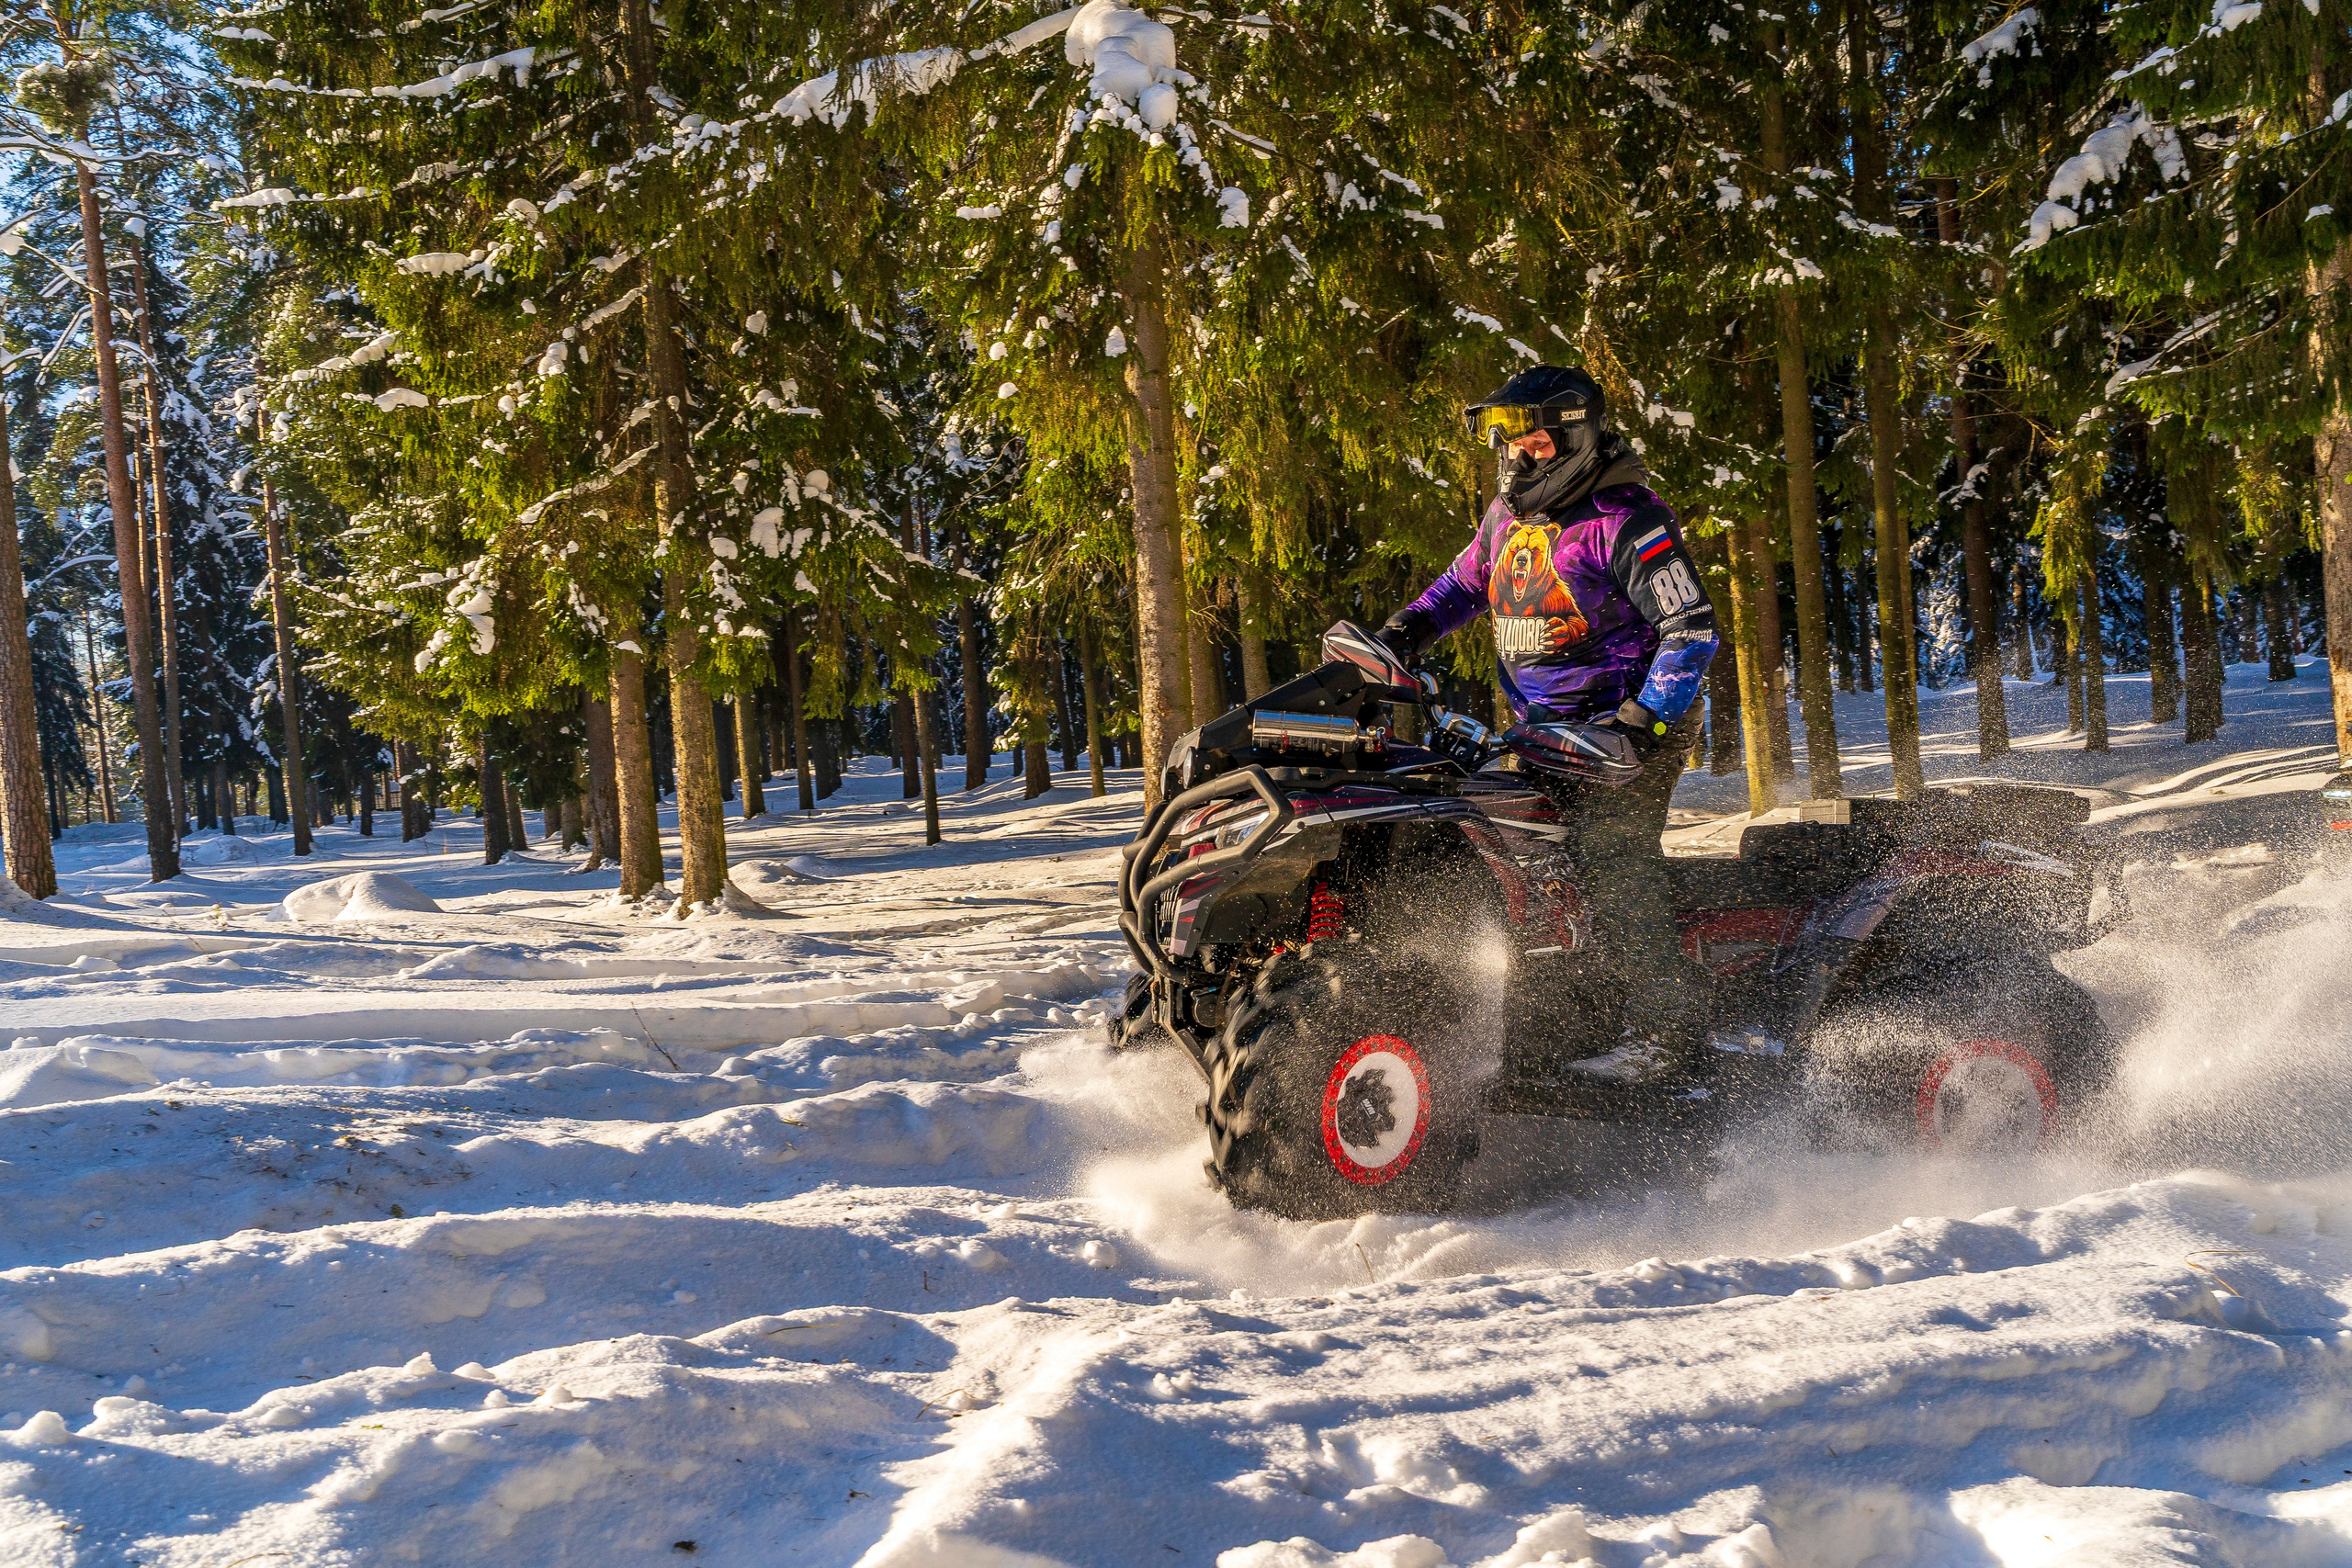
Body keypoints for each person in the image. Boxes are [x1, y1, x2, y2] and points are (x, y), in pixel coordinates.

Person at [1379, 365, 1721, 1066]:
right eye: (1505, 445)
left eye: (1529, 443)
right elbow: (1461, 585)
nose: (1514, 458)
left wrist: (1644, 720)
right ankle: (1549, 1020)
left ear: (1574, 437)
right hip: (1542, 731)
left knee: (1608, 852)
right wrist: (1404, 633)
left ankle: (1668, 1035)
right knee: (1506, 849)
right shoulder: (1507, 519)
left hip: (1629, 730)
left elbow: (1690, 625)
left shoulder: (1627, 519)